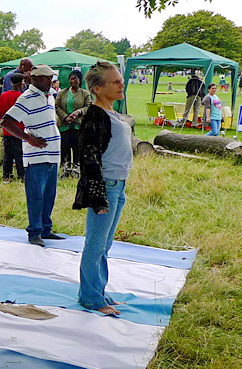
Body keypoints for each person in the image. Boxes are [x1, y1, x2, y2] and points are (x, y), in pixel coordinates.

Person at [73, 61, 133, 315]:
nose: (121, 85)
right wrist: (97, 197)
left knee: (105, 244)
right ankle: (90, 297)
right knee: (95, 244)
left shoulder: (113, 113)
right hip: (106, 185)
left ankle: (99, 291)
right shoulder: (94, 116)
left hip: (118, 184)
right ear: (97, 88)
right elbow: (89, 158)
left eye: (120, 80)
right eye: (115, 81)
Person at [1, 64, 64, 247]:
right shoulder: (26, 98)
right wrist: (28, 138)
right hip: (37, 155)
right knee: (36, 195)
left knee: (49, 194)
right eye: (48, 78)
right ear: (36, 79)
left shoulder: (50, 95)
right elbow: (6, 122)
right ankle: (34, 232)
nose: (51, 81)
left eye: (52, 78)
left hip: (52, 153)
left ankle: (46, 228)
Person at [55, 70, 92, 176]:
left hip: (78, 126)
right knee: (65, 148)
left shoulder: (85, 93)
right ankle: (65, 170)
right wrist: (65, 117)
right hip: (64, 126)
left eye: (75, 79)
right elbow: (56, 106)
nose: (73, 81)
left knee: (78, 148)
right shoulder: (62, 93)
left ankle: (77, 169)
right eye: (71, 79)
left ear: (80, 81)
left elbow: (89, 106)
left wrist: (79, 112)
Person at [0, 73, 25, 183]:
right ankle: (21, 176)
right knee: (19, 154)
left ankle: (6, 176)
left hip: (7, 130)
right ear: (19, 83)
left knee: (7, 154)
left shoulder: (3, 95)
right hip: (19, 130)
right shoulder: (21, 97)